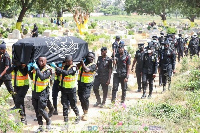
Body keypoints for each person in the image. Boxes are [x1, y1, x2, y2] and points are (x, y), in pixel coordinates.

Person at [50, 55, 80, 124]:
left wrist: (56, 67)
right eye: (66, 61)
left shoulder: (74, 68)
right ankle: (65, 119)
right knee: (65, 105)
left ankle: (78, 116)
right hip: (64, 89)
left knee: (73, 105)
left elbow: (66, 73)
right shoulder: (63, 67)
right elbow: (60, 76)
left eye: (68, 61)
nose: (67, 63)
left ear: (71, 61)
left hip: (71, 90)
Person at [28, 55, 52, 132]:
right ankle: (40, 126)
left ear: (46, 61)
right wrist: (29, 70)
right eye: (39, 61)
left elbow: (42, 77)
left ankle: (48, 121)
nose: (41, 62)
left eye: (42, 61)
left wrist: (37, 68)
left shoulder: (48, 70)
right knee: (36, 110)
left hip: (43, 92)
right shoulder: (36, 68)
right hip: (35, 91)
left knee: (41, 109)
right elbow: (32, 77)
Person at [77, 52, 96, 121]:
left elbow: (86, 70)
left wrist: (82, 63)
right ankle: (84, 111)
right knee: (81, 98)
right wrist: (80, 62)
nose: (91, 58)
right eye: (89, 57)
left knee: (85, 97)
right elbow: (76, 68)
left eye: (92, 57)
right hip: (80, 83)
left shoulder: (93, 65)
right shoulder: (83, 64)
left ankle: (86, 112)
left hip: (88, 84)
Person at [0, 41, 15, 108]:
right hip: (1, 76)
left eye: (0, 49)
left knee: (11, 91)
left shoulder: (6, 56)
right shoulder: (2, 56)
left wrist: (1, 75)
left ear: (3, 50)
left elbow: (7, 67)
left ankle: (17, 104)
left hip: (6, 77)